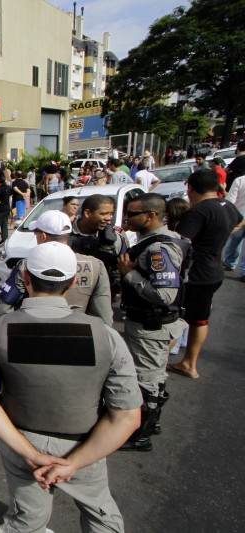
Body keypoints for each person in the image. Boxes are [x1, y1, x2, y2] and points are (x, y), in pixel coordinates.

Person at [0, 242, 141, 533]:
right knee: (102, 516)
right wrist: (74, 463)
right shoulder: (107, 338)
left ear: (25, 279)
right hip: (85, 444)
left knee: (26, 521)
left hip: (22, 442)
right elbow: (126, 416)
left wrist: (31, 453)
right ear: (72, 282)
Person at [117, 193, 188, 452]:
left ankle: (141, 434)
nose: (128, 218)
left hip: (151, 325)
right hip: (154, 324)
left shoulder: (159, 248)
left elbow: (164, 294)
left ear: (151, 215)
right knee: (155, 375)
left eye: (133, 213)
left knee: (146, 379)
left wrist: (130, 274)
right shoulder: (165, 241)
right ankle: (150, 423)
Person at [169, 169, 243, 379]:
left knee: (173, 319)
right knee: (200, 320)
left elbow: (179, 243)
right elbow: (240, 221)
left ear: (191, 188)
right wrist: (221, 235)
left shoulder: (198, 212)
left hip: (195, 274)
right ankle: (189, 363)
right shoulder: (226, 205)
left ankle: (157, 367)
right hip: (214, 272)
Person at [0, 210, 113, 325]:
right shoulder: (96, 265)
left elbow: (4, 308)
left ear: (43, 236)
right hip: (80, 335)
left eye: (35, 233)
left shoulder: (27, 265)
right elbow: (104, 317)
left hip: (33, 333)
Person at [69, 194, 127, 297]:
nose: (108, 218)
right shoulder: (64, 232)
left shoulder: (117, 237)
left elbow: (122, 267)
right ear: (87, 213)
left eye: (111, 214)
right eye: (103, 214)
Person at [223, 171, 245, 279]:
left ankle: (230, 263)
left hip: (240, 216)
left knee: (235, 241)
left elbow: (230, 200)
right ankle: (244, 271)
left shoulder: (240, 180)